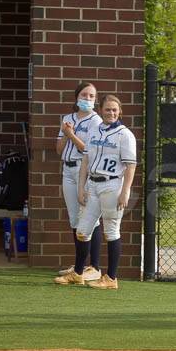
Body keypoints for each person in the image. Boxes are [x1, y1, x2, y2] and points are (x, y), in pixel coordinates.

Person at [56, 94, 137, 290]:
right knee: (83, 231)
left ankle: (111, 278)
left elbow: (131, 165)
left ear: (120, 112)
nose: (111, 112)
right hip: (92, 184)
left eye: (114, 110)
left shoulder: (124, 134)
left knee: (111, 231)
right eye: (107, 109)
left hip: (112, 185)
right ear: (101, 110)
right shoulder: (95, 130)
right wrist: (81, 187)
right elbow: (85, 159)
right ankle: (78, 273)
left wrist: (125, 192)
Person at [54, 82, 102, 283]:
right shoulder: (67, 118)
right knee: (74, 218)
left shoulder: (96, 120)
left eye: (92, 96)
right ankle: (80, 264)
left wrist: (71, 135)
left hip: (85, 171)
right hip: (68, 169)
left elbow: (88, 150)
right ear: (76, 97)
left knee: (90, 218)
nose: (88, 99)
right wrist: (66, 134)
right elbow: (58, 150)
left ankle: (94, 266)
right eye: (84, 95)